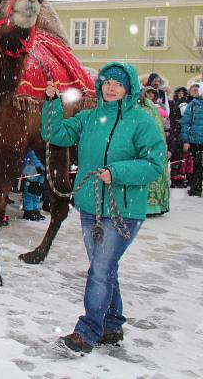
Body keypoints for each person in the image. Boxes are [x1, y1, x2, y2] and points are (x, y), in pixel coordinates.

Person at [42, 62, 165, 354]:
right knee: (105, 268)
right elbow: (55, 134)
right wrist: (52, 103)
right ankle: (111, 323)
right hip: (90, 206)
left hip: (124, 209)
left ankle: (87, 332)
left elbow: (155, 164)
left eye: (118, 84)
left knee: (100, 269)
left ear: (128, 89)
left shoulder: (141, 122)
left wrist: (117, 172)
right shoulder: (88, 118)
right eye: (107, 82)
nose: (111, 88)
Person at [137, 89, 170, 216]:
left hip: (150, 146)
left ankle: (151, 206)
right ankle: (149, 206)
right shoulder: (147, 107)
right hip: (147, 146)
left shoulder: (148, 107)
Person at [181, 85, 203, 196]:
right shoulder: (193, 105)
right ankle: (196, 188)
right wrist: (186, 141)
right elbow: (186, 124)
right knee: (197, 166)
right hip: (196, 141)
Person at [169, 86, 188, 187]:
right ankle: (174, 178)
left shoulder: (186, 103)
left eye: (182, 92)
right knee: (175, 155)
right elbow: (172, 116)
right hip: (175, 130)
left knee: (182, 156)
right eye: (179, 92)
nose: (181, 94)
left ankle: (181, 179)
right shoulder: (173, 103)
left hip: (182, 130)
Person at [21, 150, 46, 221]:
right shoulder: (33, 144)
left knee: (38, 190)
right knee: (30, 190)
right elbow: (31, 154)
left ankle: (35, 209)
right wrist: (39, 166)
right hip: (31, 168)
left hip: (41, 168)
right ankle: (28, 211)